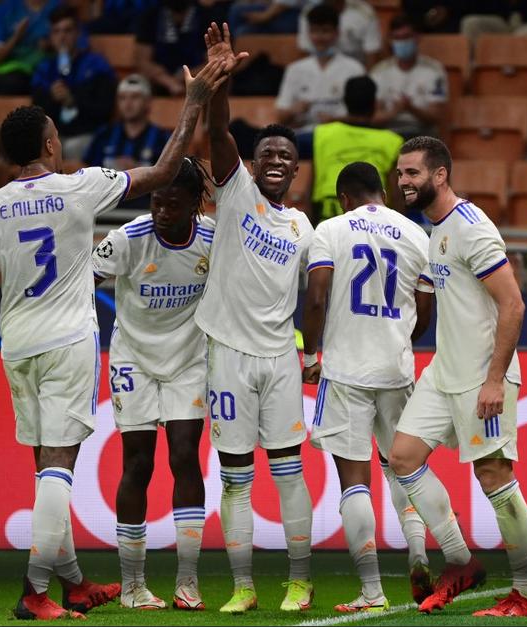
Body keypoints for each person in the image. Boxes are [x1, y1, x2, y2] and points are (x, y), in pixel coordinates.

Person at [0, 57, 228, 620]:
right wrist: (194, 99)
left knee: (43, 469)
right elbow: (163, 169)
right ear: (51, 144)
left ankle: (75, 583)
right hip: (67, 344)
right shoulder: (78, 187)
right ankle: (34, 593)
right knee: (59, 467)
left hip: (17, 346)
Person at [387, 136, 527, 617]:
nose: (403, 181)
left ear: (440, 175)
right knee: (403, 457)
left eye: (412, 173)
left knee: (494, 474)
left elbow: (513, 305)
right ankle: (461, 561)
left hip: (481, 376)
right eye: (399, 173)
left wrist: (495, 380)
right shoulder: (434, 227)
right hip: (444, 371)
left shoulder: (472, 229)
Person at [196, 22, 315, 614]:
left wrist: (314, 352)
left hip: (280, 360)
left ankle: (300, 579)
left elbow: (316, 297)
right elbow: (217, 129)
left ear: (296, 172)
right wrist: (219, 80)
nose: (275, 159)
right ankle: (243, 587)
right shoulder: (235, 190)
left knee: (289, 473)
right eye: (267, 151)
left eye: (285, 156)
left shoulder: (303, 227)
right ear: (251, 162)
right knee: (235, 476)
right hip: (228, 356)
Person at [301, 161, 434, 613]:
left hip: (345, 372)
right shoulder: (418, 235)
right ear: (382, 191)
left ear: (344, 198)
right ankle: (418, 553)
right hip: (397, 371)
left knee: (354, 482)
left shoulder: (331, 230)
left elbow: (316, 296)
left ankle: (372, 591)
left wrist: (311, 355)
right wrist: (400, 343)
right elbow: (425, 310)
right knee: (402, 470)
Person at [91, 158, 214, 611]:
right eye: (157, 202)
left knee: (185, 456)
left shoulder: (212, 240)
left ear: (194, 206)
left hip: (188, 361)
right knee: (138, 464)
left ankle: (187, 581)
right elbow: (80, 281)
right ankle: (133, 585)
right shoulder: (127, 239)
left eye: (173, 204)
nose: (162, 211)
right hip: (133, 360)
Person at [311, 75, 403, 223]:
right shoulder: (392, 141)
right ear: (374, 104)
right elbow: (397, 196)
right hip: (376, 221)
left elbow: (311, 184)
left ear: (345, 102)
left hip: (327, 215)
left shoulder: (322, 134)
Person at [32, 5, 115, 161]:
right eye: (56, 31)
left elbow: (105, 110)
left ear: (77, 33)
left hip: (86, 135)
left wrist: (73, 101)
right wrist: (53, 99)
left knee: (76, 148)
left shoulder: (96, 65)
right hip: (54, 137)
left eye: (67, 30)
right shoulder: (44, 70)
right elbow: (37, 114)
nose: (62, 37)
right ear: (50, 36)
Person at [275, 3, 363, 142]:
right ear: (308, 33)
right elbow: (281, 116)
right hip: (303, 136)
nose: (320, 37)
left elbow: (363, 117)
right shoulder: (295, 69)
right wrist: (294, 110)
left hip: (340, 136)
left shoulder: (354, 69)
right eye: (315, 31)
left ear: (337, 33)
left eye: (326, 31)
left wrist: (335, 119)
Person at [83, 74, 172, 211]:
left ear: (148, 102)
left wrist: (138, 170)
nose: (128, 104)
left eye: (135, 97)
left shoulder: (163, 138)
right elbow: (87, 173)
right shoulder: (104, 135)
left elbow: (169, 178)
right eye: (122, 98)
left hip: (145, 208)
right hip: (107, 206)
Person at [369, 14, 447, 140]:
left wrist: (411, 108)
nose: (401, 42)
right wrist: (395, 111)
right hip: (388, 133)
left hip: (422, 133)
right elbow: (372, 117)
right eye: (397, 38)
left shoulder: (434, 70)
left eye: (406, 37)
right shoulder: (379, 71)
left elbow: (436, 116)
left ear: (417, 37)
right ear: (390, 40)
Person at [0, 0, 59, 95]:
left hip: (49, 71)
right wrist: (16, 37)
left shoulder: (58, 6)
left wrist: (51, 44)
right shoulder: (5, 9)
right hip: (12, 76)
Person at [135, 0, 207, 96]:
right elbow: (143, 62)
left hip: (198, 82)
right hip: (160, 82)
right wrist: (169, 82)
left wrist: (184, 77)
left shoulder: (206, 16)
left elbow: (212, 61)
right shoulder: (150, 17)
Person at [297, 0, 381, 67]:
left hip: (355, 70)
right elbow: (305, 50)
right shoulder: (308, 11)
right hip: (318, 68)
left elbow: (371, 53)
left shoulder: (365, 12)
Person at [227, 0, 301, 37]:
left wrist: (264, 16)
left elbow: (285, 3)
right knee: (237, 10)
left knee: (242, 30)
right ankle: (233, 41)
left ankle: (232, 42)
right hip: (277, 10)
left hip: (294, 15)